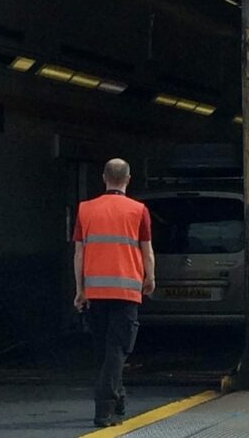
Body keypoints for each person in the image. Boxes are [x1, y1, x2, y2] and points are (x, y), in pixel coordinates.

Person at [72, 158, 156, 427]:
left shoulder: (85, 210)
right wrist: (150, 277)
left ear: (103, 177)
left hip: (95, 293)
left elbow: (79, 253)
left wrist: (80, 290)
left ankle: (118, 397)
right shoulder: (138, 210)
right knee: (117, 349)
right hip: (126, 292)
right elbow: (147, 250)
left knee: (103, 351)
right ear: (128, 180)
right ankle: (104, 408)